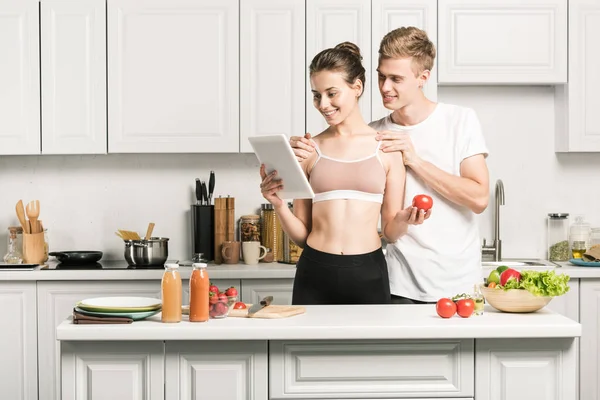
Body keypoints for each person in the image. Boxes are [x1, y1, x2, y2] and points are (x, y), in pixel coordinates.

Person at [290, 27, 490, 304]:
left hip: (456, 280)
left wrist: (415, 160)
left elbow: (479, 198)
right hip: (398, 280)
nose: (384, 87)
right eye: (381, 76)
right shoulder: (376, 136)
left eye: (396, 78)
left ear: (423, 78)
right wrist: (295, 154)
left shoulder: (459, 121)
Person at [259, 42, 406, 305]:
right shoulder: (309, 151)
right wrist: (279, 204)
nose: (323, 104)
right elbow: (302, 236)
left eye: (331, 93)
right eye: (316, 95)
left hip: (369, 271)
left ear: (357, 87)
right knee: (305, 348)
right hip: (315, 270)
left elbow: (391, 232)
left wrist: (407, 218)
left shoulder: (387, 149)